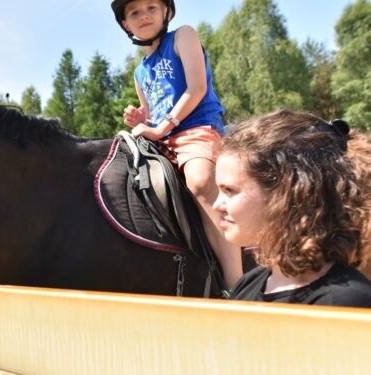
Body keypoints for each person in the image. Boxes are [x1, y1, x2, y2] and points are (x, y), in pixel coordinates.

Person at [111, 0, 242, 288]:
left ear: (166, 12)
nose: (144, 15)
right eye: (134, 12)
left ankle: (237, 284)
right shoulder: (139, 72)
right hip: (163, 137)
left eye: (151, 7)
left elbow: (197, 89)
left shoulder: (183, 36)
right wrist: (139, 118)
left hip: (195, 128)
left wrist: (160, 128)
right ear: (125, 24)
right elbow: (151, 111)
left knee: (199, 181)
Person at [214, 110, 371, 307]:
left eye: (230, 190)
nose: (216, 205)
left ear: (286, 194)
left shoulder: (345, 300)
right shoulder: (249, 284)